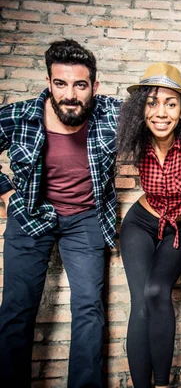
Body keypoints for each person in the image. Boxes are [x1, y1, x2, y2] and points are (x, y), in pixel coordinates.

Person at [0, 39, 120, 387]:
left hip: (85, 220)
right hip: (31, 217)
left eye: (80, 85)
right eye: (61, 83)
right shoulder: (21, 115)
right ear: (49, 83)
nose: (70, 94)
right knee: (17, 312)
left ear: (94, 87)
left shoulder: (110, 111)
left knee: (88, 310)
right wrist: (6, 192)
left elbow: (163, 113)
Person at [116, 63, 181, 388]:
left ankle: (162, 385)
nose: (161, 112)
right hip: (140, 222)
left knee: (157, 291)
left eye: (170, 104)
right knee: (139, 303)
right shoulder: (137, 138)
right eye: (152, 103)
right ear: (141, 109)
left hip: (180, 228)